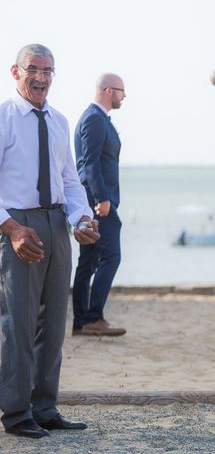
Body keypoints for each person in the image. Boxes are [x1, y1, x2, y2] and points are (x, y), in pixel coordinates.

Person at [0, 44, 100, 438]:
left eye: (49, 71)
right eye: (34, 69)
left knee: (54, 323)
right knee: (18, 324)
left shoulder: (59, 120)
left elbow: (69, 179)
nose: (42, 78)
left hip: (57, 225)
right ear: (15, 71)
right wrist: (11, 228)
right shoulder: (4, 118)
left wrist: (82, 217)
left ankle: (44, 407)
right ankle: (15, 412)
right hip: (17, 227)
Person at [72, 73, 127, 337]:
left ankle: (81, 322)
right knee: (111, 256)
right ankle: (93, 317)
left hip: (96, 200)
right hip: (98, 203)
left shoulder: (97, 118)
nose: (124, 96)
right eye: (121, 91)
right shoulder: (93, 118)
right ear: (107, 90)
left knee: (89, 261)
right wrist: (101, 198)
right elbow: (88, 163)